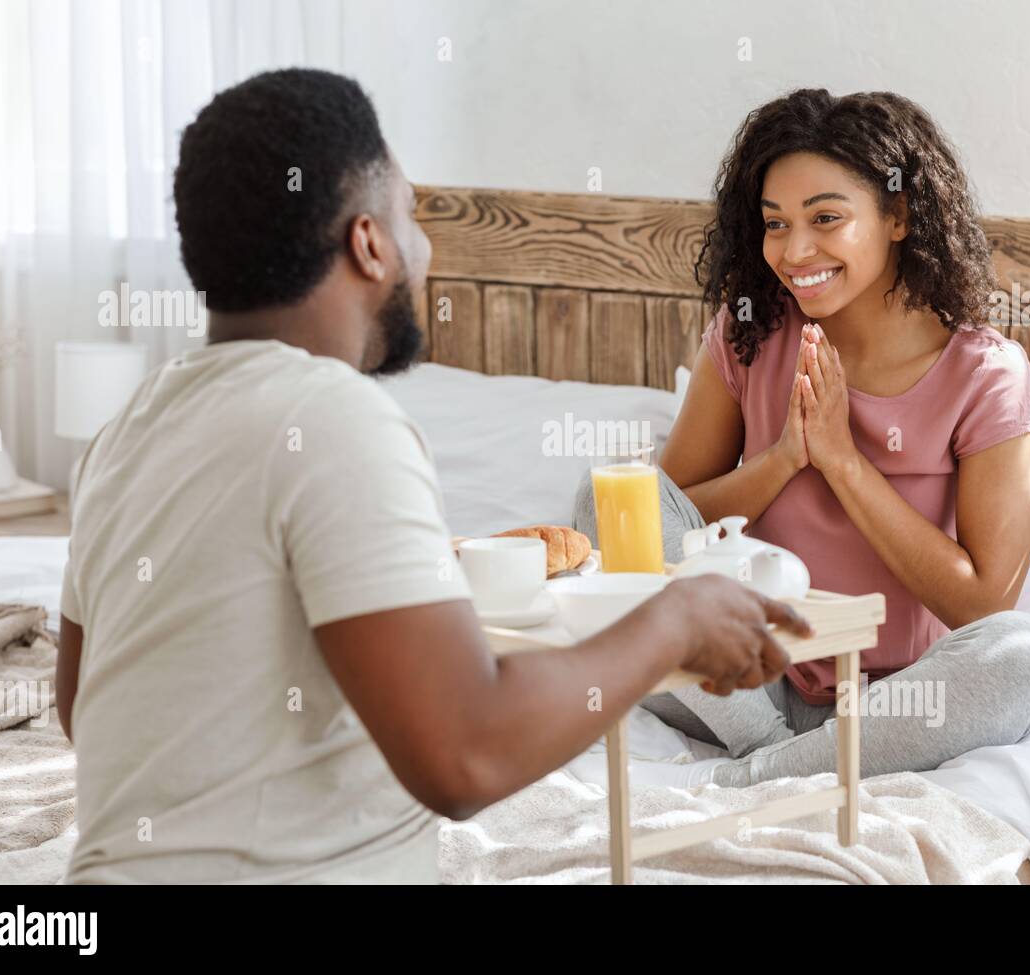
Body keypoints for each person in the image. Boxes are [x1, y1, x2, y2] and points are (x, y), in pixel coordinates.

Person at [54, 68, 811, 884]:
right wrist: (675, 620)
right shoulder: (339, 419)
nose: (427, 248)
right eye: (414, 215)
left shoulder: (127, 428)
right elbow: (466, 753)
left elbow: (82, 705)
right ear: (370, 241)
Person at [575, 89, 1030, 787]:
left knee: (1025, 654)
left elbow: (982, 603)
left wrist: (842, 461)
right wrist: (783, 460)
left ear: (898, 215)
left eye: (826, 218)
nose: (794, 250)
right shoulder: (750, 336)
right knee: (611, 498)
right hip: (736, 687)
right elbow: (669, 520)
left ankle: (766, 772)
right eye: (775, 224)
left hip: (898, 701)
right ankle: (779, 756)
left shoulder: (985, 374)